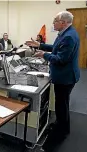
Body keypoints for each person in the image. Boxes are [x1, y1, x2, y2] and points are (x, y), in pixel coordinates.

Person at [25, 11, 80, 152]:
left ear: (63, 22)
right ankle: (64, 128)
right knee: (63, 104)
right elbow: (55, 48)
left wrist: (44, 54)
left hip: (65, 78)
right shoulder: (65, 33)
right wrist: (40, 45)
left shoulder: (69, 37)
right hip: (65, 76)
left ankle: (57, 137)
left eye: (55, 20)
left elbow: (61, 59)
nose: (53, 23)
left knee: (62, 106)